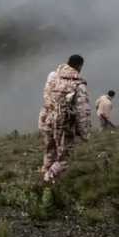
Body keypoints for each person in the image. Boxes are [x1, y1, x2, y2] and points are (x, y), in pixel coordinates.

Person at [39, 55, 90, 183]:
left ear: (67, 62)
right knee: (64, 156)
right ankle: (49, 181)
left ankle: (46, 173)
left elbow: (46, 95)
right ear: (80, 66)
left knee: (49, 150)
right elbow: (82, 111)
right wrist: (84, 133)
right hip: (64, 125)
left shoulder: (52, 76)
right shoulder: (78, 84)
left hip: (46, 120)